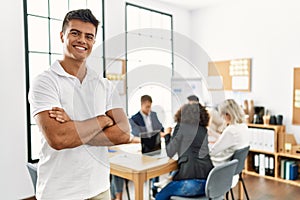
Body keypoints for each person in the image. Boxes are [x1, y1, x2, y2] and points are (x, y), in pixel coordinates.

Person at [28, 9, 130, 200]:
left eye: (89, 36)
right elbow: (59, 138)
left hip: (99, 188)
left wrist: (73, 124)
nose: (82, 40)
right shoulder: (45, 82)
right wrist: (102, 119)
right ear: (62, 36)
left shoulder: (104, 85)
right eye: (75, 33)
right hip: (59, 192)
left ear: (93, 41)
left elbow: (124, 133)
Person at [110, 95, 171, 199]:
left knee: (156, 163)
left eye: (150, 107)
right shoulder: (134, 119)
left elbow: (160, 129)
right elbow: (138, 135)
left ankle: (154, 187)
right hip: (138, 147)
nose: (149, 109)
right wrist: (156, 134)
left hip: (154, 146)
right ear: (142, 105)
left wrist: (164, 133)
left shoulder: (154, 115)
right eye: (147, 107)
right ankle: (118, 196)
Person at [155, 103, 213, 200]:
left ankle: (168, 182)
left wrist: (167, 135)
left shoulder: (181, 127)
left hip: (191, 184)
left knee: (160, 195)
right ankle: (169, 180)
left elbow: (170, 152)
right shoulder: (203, 130)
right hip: (209, 183)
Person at [209, 99, 250, 166]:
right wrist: (213, 134)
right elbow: (227, 140)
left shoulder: (230, 130)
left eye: (222, 115)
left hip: (219, 164)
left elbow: (212, 152)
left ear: (228, 114)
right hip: (231, 166)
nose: (222, 118)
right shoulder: (243, 126)